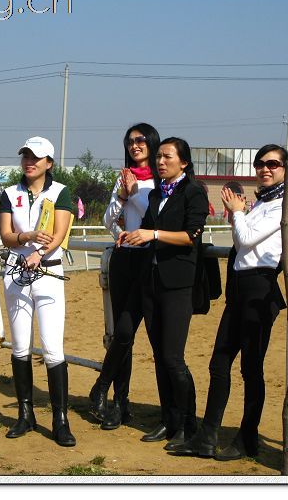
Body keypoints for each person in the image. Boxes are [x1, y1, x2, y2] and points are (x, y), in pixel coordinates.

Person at [173, 143, 288, 460]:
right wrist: (240, 213)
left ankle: (248, 438)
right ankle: (207, 437)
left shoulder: (285, 205)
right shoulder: (261, 204)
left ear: (285, 169)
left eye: (272, 164)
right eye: (260, 164)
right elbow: (244, 241)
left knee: (250, 368)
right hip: (240, 287)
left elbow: (245, 240)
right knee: (219, 364)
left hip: (260, 288)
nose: (264, 169)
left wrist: (238, 211)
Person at [118, 137, 209, 450]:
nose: (160, 161)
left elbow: (190, 236)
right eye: (158, 156)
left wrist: (152, 233)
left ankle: (188, 423)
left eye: (167, 156)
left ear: (183, 162)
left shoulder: (194, 191)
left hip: (178, 285)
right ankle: (168, 420)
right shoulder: (157, 193)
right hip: (151, 281)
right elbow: (143, 230)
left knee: (173, 358)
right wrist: (129, 237)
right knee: (159, 357)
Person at [0, 136, 76, 447]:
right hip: (16, 272)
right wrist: (26, 237)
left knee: (53, 348)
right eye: (26, 156)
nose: (29, 161)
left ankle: (60, 420)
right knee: (20, 347)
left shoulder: (61, 192)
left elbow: (59, 233)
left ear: (49, 163)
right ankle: (25, 414)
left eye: (36, 157)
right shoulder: (8, 194)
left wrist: (39, 253)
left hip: (49, 271)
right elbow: (6, 236)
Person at [88, 123, 159, 431]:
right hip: (124, 261)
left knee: (136, 334)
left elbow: (156, 216)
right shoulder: (125, 177)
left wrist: (132, 193)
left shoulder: (162, 179)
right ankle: (121, 403)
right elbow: (108, 219)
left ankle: (104, 389)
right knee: (122, 335)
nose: (135, 145)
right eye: (130, 141)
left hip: (151, 261)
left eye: (141, 140)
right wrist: (120, 228)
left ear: (152, 143)